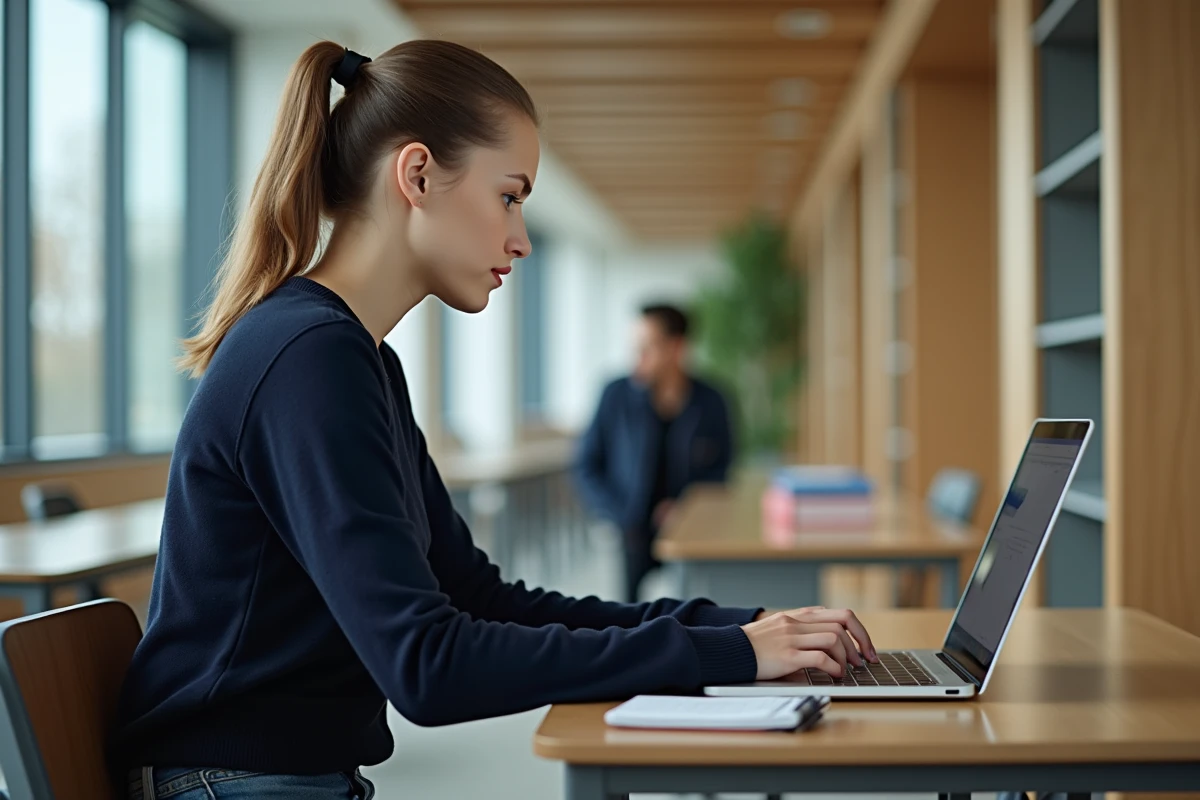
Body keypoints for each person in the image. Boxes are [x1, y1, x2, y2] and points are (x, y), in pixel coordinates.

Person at [110, 40, 876, 800]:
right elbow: (427, 668)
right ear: (416, 175)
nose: (522, 237)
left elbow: (479, 599)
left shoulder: (357, 358)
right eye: (509, 196)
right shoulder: (310, 357)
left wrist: (741, 628)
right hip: (231, 785)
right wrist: (727, 654)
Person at [575, 304, 734, 603]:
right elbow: (586, 465)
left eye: (647, 348)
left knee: (697, 609)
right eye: (635, 348)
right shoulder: (615, 395)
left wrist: (686, 508)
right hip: (631, 529)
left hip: (692, 533)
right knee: (627, 617)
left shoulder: (712, 401)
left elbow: (722, 469)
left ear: (677, 347)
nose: (638, 359)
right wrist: (618, 515)